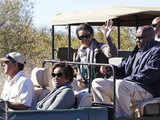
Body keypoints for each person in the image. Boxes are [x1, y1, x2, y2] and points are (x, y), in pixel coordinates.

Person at [92, 25, 160, 119]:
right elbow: (122, 68)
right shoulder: (136, 51)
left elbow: (149, 75)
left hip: (148, 89)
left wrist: (126, 80)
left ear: (150, 37)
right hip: (130, 85)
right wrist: (109, 70)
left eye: (140, 38)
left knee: (121, 84)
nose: (137, 40)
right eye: (136, 38)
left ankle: (122, 117)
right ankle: (105, 115)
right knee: (97, 83)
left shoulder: (157, 51)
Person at [74, 21, 117, 91]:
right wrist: (79, 77)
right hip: (84, 83)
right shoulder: (80, 50)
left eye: (87, 36)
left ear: (92, 35)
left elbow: (112, 53)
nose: (84, 39)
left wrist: (108, 38)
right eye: (81, 37)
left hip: (99, 83)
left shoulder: (100, 47)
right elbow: (78, 65)